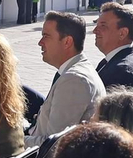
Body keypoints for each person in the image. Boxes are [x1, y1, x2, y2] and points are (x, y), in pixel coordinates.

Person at [26, 11, 105, 143]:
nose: (40, 42)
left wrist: (13, 142)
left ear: (67, 42)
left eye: (46, 36)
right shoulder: (75, 72)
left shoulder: (74, 80)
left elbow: (53, 145)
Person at [92, 2, 133, 92]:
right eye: (97, 25)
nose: (95, 31)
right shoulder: (116, 62)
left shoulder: (123, 71)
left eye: (103, 26)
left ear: (122, 33)